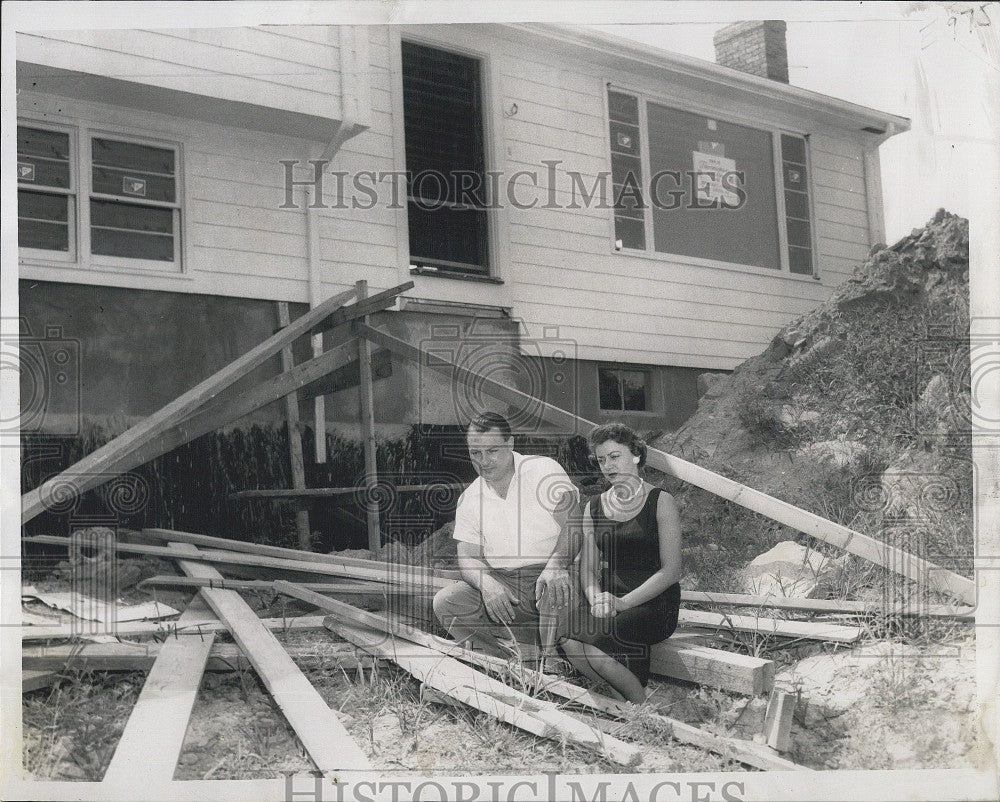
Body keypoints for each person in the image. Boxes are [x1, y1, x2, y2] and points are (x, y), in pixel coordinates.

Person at [432, 412, 578, 658]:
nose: (484, 461)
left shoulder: (542, 469)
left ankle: (554, 665)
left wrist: (556, 565)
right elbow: (467, 556)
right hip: (508, 584)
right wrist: (486, 583)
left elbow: (575, 524)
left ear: (510, 443)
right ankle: (504, 664)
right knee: (446, 602)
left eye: (492, 451)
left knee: (554, 588)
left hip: (554, 571)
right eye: (475, 453)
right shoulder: (469, 498)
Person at [559, 423, 682, 703]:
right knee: (568, 638)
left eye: (615, 456)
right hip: (609, 600)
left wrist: (624, 603)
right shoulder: (593, 507)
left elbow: (672, 569)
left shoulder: (660, 501)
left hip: (653, 602)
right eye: (601, 459)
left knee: (596, 649)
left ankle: (642, 710)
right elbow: (588, 568)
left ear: (636, 455)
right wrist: (595, 598)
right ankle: (621, 696)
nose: (607, 466)